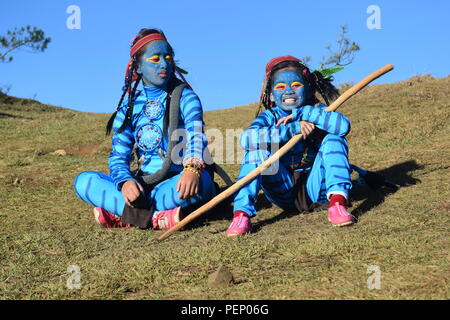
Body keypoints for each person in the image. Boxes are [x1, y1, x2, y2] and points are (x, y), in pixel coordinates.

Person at [73, 28, 216, 230]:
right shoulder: (128, 108)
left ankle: (127, 215)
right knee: (84, 182)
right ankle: (158, 218)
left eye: (168, 57)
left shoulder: (186, 98)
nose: (164, 63)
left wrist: (192, 169)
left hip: (180, 180)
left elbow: (196, 136)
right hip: (144, 185)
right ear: (138, 66)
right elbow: (118, 156)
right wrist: (125, 183)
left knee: (202, 185)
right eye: (155, 58)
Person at [227, 56, 354, 236]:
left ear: (308, 88)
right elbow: (246, 140)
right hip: (284, 190)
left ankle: (338, 204)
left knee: (334, 138)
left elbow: (343, 127)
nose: (288, 91)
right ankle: (241, 215)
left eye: (296, 85)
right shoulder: (269, 116)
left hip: (317, 187)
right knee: (256, 151)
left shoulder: (317, 111)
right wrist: (292, 128)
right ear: (271, 94)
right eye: (280, 87)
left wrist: (303, 114)